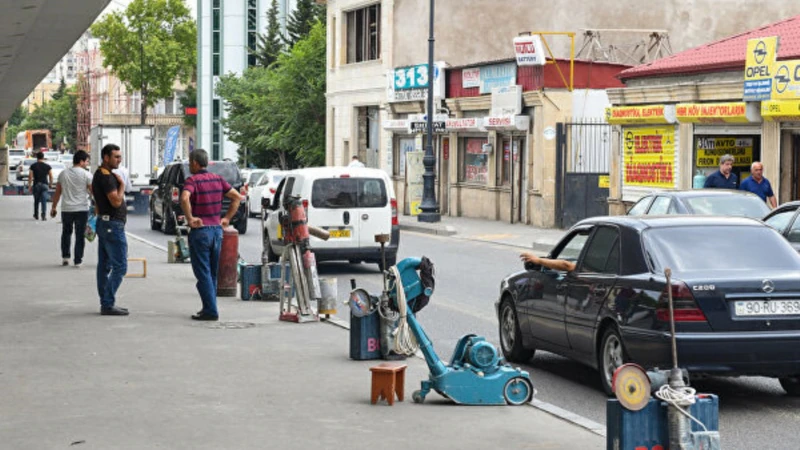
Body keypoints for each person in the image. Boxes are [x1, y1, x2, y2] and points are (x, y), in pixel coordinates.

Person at [180, 149, 242, 321]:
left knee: (203, 273)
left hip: (200, 232)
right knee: (212, 273)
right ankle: (209, 306)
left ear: (194, 163)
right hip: (216, 231)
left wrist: (190, 218)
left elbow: (185, 198)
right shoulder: (218, 179)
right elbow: (237, 197)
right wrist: (227, 218)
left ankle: (210, 310)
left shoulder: (192, 181)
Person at [92, 144, 129, 316]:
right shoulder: (107, 178)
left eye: (120, 156)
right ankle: (107, 303)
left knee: (104, 265)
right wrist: (121, 186)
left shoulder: (100, 174)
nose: (119, 160)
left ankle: (106, 302)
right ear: (106, 157)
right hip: (112, 226)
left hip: (105, 224)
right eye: (116, 157)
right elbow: (115, 202)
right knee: (120, 266)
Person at [50, 151, 93, 267]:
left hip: (66, 209)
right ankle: (78, 260)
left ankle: (65, 257)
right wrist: (97, 205)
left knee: (66, 233)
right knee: (80, 235)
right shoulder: (87, 175)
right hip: (82, 209)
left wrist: (53, 207)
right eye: (87, 161)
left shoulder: (63, 174)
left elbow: (57, 192)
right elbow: (93, 192)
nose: (87, 163)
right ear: (81, 161)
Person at [28, 152, 53, 221]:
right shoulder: (47, 166)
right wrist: (50, 184)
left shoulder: (33, 166)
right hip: (45, 185)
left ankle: (36, 214)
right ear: (43, 157)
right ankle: (43, 215)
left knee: (36, 200)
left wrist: (29, 185)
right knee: (44, 200)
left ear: (37, 157)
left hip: (36, 185)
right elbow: (51, 176)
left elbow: (30, 176)